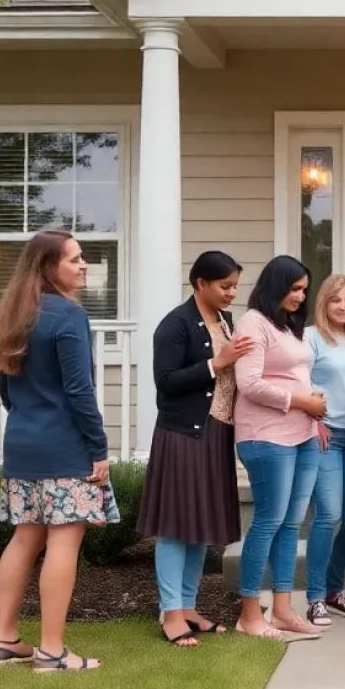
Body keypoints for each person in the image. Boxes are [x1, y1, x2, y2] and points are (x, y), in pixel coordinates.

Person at [0, 230, 117, 673]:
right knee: (64, 540)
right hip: (64, 447)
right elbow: (80, 389)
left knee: (25, 538)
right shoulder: (68, 316)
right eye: (75, 260)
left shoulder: (16, 313)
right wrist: (99, 447)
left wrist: (28, 415)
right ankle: (52, 650)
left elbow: (6, 386)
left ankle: (5, 641)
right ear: (49, 267)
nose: (83, 265)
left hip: (22, 443)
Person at [139, 251, 252, 647]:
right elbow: (165, 381)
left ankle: (188, 608)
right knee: (176, 526)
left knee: (199, 526)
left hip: (216, 432)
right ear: (200, 284)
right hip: (183, 434)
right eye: (225, 286)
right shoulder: (175, 324)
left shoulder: (225, 321)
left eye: (235, 285)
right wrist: (216, 363)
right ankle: (170, 613)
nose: (232, 293)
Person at [234, 255, 328, 641]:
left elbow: (297, 374)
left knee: (291, 523)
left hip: (303, 432)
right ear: (275, 286)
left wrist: (315, 413)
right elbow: (249, 383)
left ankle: (284, 610)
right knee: (268, 522)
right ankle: (250, 615)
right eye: (294, 289)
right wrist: (301, 403)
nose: (300, 296)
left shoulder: (291, 326)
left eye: (304, 289)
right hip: (265, 434)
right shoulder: (254, 323)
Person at [303, 274, 345, 626]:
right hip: (327, 435)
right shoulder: (311, 338)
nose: (344, 307)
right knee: (328, 515)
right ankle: (314, 597)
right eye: (336, 300)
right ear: (323, 303)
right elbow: (301, 383)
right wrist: (315, 420)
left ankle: (333, 588)